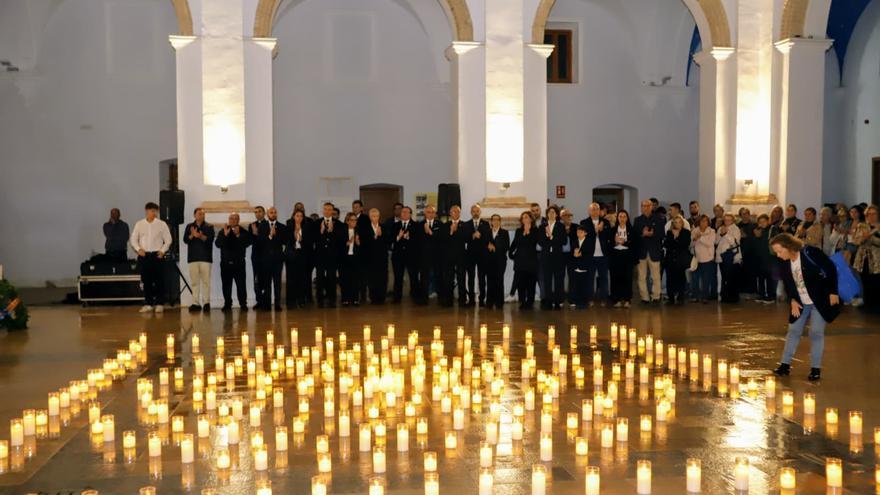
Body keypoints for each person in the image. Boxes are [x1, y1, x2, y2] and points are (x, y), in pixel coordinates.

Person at [771, 233, 841, 381]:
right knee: (793, 331)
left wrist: (833, 291)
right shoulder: (784, 262)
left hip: (819, 300)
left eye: (779, 251)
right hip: (800, 301)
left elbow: (831, 269)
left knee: (816, 333)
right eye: (776, 252)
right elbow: (788, 283)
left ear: (789, 247)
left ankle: (815, 369)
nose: (778, 255)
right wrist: (793, 300)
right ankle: (785, 365)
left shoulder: (811, 253)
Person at [130, 202, 172, 313]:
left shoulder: (162, 224)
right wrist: (138, 249)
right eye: (152, 211)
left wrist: (162, 251)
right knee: (146, 280)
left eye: (155, 211)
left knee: (159, 280)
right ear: (147, 211)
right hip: (144, 256)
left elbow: (168, 239)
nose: (154, 213)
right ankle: (148, 303)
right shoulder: (139, 224)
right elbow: (133, 239)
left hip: (157, 255)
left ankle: (159, 303)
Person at [215, 213, 252, 311]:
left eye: (235, 219)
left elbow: (248, 242)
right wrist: (226, 235)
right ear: (229, 219)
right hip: (225, 263)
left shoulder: (243, 231)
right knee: (226, 285)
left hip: (238, 263)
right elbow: (217, 244)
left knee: (241, 285)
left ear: (238, 220)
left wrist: (238, 235)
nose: (233, 220)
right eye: (231, 218)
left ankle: (243, 304)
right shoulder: (223, 231)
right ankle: (227, 304)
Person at [182, 207, 215, 311]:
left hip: (206, 258)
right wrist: (192, 235)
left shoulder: (209, 226)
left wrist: (200, 236)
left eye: (203, 214)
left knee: (206, 282)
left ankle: (206, 303)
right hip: (193, 258)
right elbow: (185, 240)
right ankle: (195, 303)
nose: (201, 215)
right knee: (194, 282)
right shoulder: (189, 226)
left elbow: (210, 240)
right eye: (199, 214)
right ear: (194, 215)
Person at [582, 202, 612, 307]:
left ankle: (604, 298)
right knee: (590, 278)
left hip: (603, 255)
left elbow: (610, 236)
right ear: (589, 211)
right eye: (592, 209)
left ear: (600, 211)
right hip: (590, 255)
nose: (594, 211)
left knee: (604, 278)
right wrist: (595, 230)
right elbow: (584, 238)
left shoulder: (606, 222)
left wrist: (602, 231)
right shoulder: (584, 223)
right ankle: (590, 298)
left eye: (596, 209)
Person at [315, 203, 345, 307]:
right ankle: (320, 299)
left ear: (332, 211)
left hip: (333, 256)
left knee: (332, 278)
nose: (327, 211)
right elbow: (313, 239)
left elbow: (341, 240)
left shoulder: (339, 224)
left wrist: (332, 232)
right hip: (320, 256)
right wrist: (321, 231)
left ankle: (332, 299)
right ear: (323, 210)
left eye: (329, 209)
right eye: (325, 209)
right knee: (320, 278)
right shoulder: (317, 223)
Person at [633, 200, 663, 304]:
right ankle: (644, 297)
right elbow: (635, 237)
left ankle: (656, 296)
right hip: (641, 252)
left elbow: (661, 234)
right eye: (643, 206)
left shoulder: (659, 219)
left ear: (651, 207)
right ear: (641, 207)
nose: (645, 208)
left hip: (654, 251)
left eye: (647, 206)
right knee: (641, 276)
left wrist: (651, 235)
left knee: (655, 276)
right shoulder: (637, 220)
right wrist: (643, 234)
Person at [257, 207, 286, 310]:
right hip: (266, 260)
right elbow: (260, 242)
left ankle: (277, 304)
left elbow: (284, 241)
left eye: (275, 212)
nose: (273, 214)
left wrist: (276, 236)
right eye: (271, 212)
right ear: (267, 214)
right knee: (267, 283)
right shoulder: (262, 226)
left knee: (277, 283)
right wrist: (269, 236)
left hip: (278, 259)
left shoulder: (282, 227)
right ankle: (267, 304)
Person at [462, 204, 491, 306]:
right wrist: (472, 235)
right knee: (470, 278)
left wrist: (481, 236)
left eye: (477, 211)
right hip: (470, 255)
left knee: (482, 278)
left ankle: (482, 299)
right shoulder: (466, 224)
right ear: (471, 212)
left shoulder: (486, 224)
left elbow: (488, 238)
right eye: (473, 211)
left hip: (483, 255)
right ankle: (471, 300)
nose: (475, 213)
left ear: (480, 212)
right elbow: (464, 238)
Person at [510, 211, 540, 309]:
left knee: (531, 283)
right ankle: (522, 301)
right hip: (520, 261)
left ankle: (529, 302)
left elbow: (532, 242)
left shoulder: (536, 230)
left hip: (531, 261)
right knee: (520, 283)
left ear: (531, 219)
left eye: (526, 217)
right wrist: (511, 254)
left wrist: (528, 233)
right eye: (523, 218)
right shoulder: (519, 231)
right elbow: (515, 243)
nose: (524, 219)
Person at [391, 206, 420, 303]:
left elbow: (418, 242)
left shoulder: (416, 225)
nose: (404, 214)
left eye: (407, 212)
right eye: (403, 212)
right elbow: (389, 239)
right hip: (398, 256)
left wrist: (408, 238)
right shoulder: (395, 225)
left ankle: (415, 297)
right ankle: (397, 298)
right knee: (398, 277)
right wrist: (398, 237)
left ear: (411, 214)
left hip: (411, 256)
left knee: (413, 277)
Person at [853, 205, 880, 311]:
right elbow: (856, 241)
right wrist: (862, 238)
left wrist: (870, 237)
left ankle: (877, 304)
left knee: (876, 282)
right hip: (863, 259)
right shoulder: (862, 226)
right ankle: (868, 303)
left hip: (877, 260)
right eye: (869, 214)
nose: (871, 216)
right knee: (865, 280)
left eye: (874, 214)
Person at [540, 206, 566, 309]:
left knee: (558, 279)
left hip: (558, 256)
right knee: (547, 279)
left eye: (553, 212)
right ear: (547, 214)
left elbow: (563, 241)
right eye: (549, 212)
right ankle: (548, 301)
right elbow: (540, 241)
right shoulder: (542, 226)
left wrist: (551, 237)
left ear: (556, 214)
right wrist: (549, 239)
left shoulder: (560, 226)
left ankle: (558, 301)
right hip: (546, 256)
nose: (551, 214)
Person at [285, 209, 313, 308]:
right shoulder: (288, 227)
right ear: (293, 216)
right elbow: (286, 241)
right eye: (297, 215)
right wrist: (294, 237)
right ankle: (291, 301)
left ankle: (301, 299)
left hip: (302, 255)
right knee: (291, 279)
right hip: (291, 256)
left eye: (301, 216)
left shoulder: (307, 227)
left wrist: (302, 240)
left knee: (302, 278)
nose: (299, 218)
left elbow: (310, 243)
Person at [442, 205, 468, 306]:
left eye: (458, 211)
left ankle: (462, 300)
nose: (456, 213)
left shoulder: (464, 225)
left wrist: (457, 231)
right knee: (449, 278)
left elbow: (466, 239)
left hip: (461, 256)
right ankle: (448, 300)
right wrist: (451, 231)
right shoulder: (445, 225)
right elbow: (443, 239)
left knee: (461, 278)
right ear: (450, 213)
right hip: (448, 256)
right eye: (454, 211)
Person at [362, 208, 389, 305]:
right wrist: (375, 237)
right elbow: (364, 244)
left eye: (376, 216)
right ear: (369, 217)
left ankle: (382, 297)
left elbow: (388, 242)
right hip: (370, 258)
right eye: (373, 216)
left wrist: (381, 236)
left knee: (382, 277)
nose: (375, 218)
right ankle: (373, 297)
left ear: (379, 216)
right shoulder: (365, 228)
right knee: (372, 278)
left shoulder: (384, 227)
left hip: (382, 258)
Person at [609, 209, 635, 308]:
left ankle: (627, 299)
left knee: (627, 278)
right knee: (616, 278)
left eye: (624, 216)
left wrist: (624, 242)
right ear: (617, 218)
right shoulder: (612, 230)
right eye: (620, 216)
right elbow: (608, 244)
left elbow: (634, 244)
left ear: (627, 218)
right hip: (616, 256)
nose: (622, 218)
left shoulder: (631, 230)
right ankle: (617, 299)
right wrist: (615, 242)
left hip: (627, 256)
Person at [418, 205, 444, 305]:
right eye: (428, 212)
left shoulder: (440, 224)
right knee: (424, 277)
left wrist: (430, 232)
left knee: (438, 276)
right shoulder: (419, 225)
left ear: (435, 214)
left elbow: (442, 239)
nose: (430, 214)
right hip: (424, 256)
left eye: (433, 212)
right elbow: (418, 241)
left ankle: (441, 299)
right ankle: (423, 299)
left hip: (437, 256)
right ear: (425, 213)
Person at [663, 216, 692, 305]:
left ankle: (680, 296)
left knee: (681, 277)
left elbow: (684, 244)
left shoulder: (686, 232)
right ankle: (671, 296)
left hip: (681, 259)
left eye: (679, 222)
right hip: (670, 259)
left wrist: (676, 237)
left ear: (682, 223)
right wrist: (674, 237)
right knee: (670, 278)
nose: (677, 224)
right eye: (675, 222)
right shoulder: (669, 232)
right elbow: (667, 245)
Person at [715, 213, 742, 303]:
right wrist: (720, 234)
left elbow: (735, 242)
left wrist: (726, 234)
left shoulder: (736, 229)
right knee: (724, 277)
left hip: (732, 255)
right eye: (725, 220)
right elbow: (716, 241)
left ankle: (733, 297)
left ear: (733, 220)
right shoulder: (720, 228)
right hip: (722, 256)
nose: (727, 221)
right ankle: (725, 296)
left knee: (732, 277)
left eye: (729, 220)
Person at [485, 214, 510, 309]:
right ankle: (489, 302)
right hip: (489, 261)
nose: (495, 222)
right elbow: (484, 244)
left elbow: (506, 246)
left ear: (500, 221)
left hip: (500, 261)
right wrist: (487, 246)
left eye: (497, 220)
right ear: (491, 221)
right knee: (490, 281)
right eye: (493, 220)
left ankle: (499, 302)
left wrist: (495, 247)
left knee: (499, 281)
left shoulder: (504, 232)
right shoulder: (487, 232)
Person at [690, 215, 716, 303]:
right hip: (696, 258)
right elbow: (690, 245)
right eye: (702, 221)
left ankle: (705, 296)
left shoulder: (712, 231)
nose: (703, 223)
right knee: (695, 278)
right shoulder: (694, 231)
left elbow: (710, 243)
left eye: (705, 221)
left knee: (706, 279)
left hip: (707, 258)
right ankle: (695, 296)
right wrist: (694, 239)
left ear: (708, 222)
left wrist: (700, 237)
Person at [340, 213, 362, 306]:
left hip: (355, 258)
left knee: (355, 279)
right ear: (347, 221)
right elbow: (337, 245)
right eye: (352, 220)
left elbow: (363, 246)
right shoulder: (342, 230)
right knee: (345, 279)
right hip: (344, 258)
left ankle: (355, 299)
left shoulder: (359, 230)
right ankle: (345, 299)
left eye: (355, 220)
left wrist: (357, 242)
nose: (354, 222)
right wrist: (347, 243)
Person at [753, 214, 775, 303]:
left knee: (769, 277)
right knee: (760, 277)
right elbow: (755, 242)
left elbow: (774, 240)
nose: (762, 224)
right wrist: (757, 236)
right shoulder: (758, 230)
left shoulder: (772, 229)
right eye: (760, 222)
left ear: (768, 221)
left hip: (769, 257)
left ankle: (771, 297)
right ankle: (761, 295)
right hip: (759, 257)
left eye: (764, 221)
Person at [249, 206, 268, 309]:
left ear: (264, 213)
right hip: (256, 256)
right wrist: (255, 235)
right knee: (256, 279)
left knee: (266, 279)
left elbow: (266, 241)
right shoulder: (251, 225)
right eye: (255, 212)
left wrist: (257, 234)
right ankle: (259, 300)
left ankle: (266, 301)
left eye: (259, 212)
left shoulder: (268, 224)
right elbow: (251, 241)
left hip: (266, 256)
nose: (257, 214)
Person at [352, 199, 371, 303]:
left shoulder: (365, 219)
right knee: (354, 275)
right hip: (352, 251)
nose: (355, 209)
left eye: (357, 207)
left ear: (361, 208)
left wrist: (360, 239)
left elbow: (367, 234)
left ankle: (363, 296)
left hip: (363, 251)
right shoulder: (350, 218)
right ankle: (354, 295)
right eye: (354, 207)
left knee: (363, 275)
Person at [569, 224, 590, 309]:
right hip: (575, 266)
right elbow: (572, 252)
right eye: (578, 232)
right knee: (574, 285)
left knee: (584, 285)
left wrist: (580, 254)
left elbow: (589, 253)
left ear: (585, 233)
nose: (579, 234)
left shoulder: (589, 242)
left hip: (585, 266)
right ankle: (574, 300)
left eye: (581, 232)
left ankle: (583, 301)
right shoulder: (574, 241)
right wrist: (574, 254)